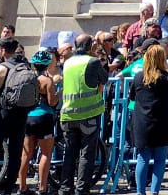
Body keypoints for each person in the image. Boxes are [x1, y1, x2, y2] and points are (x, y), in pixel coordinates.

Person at [0, 38, 36, 194]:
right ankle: (10, 185)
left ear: (3, 50)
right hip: (21, 113)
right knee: (15, 151)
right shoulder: (26, 67)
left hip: (2, 112)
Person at [58, 34, 110, 195]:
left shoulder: (68, 63)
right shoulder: (92, 61)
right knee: (86, 155)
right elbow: (104, 78)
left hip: (68, 114)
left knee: (69, 153)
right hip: (88, 114)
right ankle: (82, 189)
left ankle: (65, 188)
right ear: (89, 46)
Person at [129, 45, 168, 195]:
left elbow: (132, 96)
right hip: (162, 123)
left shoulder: (139, 77)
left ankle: (140, 192)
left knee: (142, 158)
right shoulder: (166, 77)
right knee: (160, 160)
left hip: (142, 123)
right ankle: (155, 191)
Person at [18, 50, 60, 195]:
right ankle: (42, 188)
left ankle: (22, 186)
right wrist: (60, 91)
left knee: (26, 154)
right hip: (44, 117)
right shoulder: (47, 81)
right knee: (46, 153)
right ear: (47, 65)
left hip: (28, 117)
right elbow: (52, 101)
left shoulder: (27, 78)